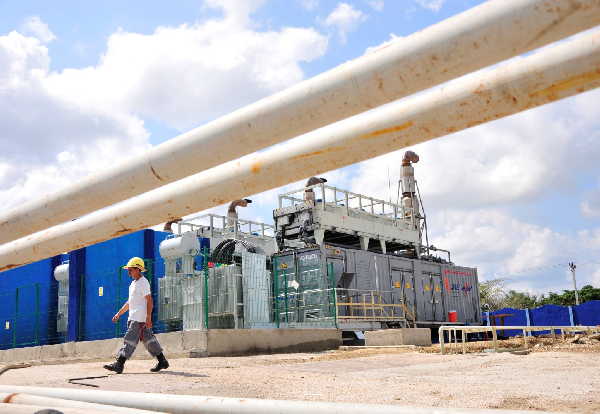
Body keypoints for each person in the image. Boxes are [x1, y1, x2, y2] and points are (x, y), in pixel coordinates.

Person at [103, 257, 169, 374]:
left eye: (130, 270)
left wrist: (148, 317)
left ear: (138, 269)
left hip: (139, 319)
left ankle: (119, 363)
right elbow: (130, 302)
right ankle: (162, 361)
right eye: (128, 270)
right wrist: (119, 313)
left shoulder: (143, 282)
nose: (128, 272)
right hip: (135, 317)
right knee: (149, 341)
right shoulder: (133, 284)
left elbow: (149, 300)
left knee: (129, 340)